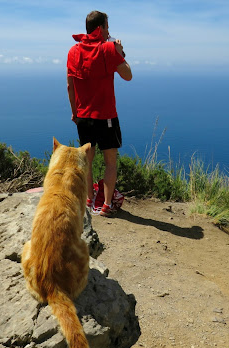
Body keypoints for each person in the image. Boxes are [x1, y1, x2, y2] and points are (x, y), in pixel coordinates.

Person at [67, 10, 132, 216]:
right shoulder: (109, 49)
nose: (108, 31)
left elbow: (70, 87)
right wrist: (119, 52)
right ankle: (105, 206)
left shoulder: (73, 51)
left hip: (83, 117)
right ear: (100, 28)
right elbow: (128, 75)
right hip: (106, 116)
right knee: (110, 162)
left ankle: (88, 200)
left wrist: (74, 113)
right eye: (107, 27)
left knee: (87, 160)